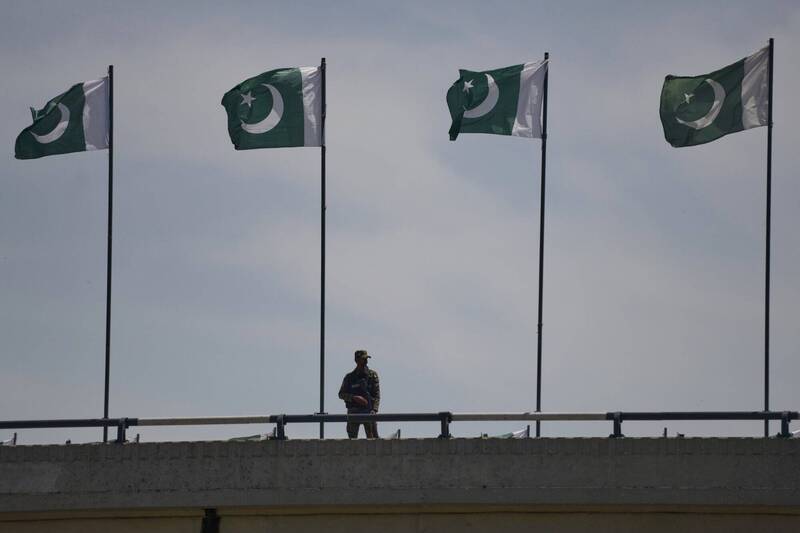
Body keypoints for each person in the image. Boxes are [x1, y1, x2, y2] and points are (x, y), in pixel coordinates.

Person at [338, 349, 380, 438]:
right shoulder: (350, 377)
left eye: (366, 359)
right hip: (354, 411)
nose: (366, 361)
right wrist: (354, 397)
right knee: (352, 441)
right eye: (363, 359)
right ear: (356, 360)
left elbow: (376, 395)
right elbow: (341, 394)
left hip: (369, 411)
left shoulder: (372, 375)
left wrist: (374, 409)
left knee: (373, 440)